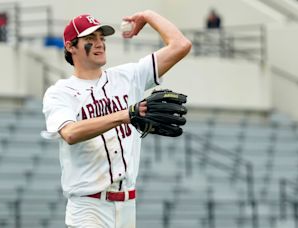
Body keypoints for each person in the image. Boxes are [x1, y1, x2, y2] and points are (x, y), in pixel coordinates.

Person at [42, 10, 191, 228]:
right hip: (88, 207)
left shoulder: (127, 77)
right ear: (70, 46)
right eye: (90, 39)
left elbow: (181, 45)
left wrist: (148, 16)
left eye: (102, 38)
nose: (100, 43)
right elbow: (71, 133)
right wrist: (126, 115)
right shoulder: (60, 92)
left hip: (128, 206)